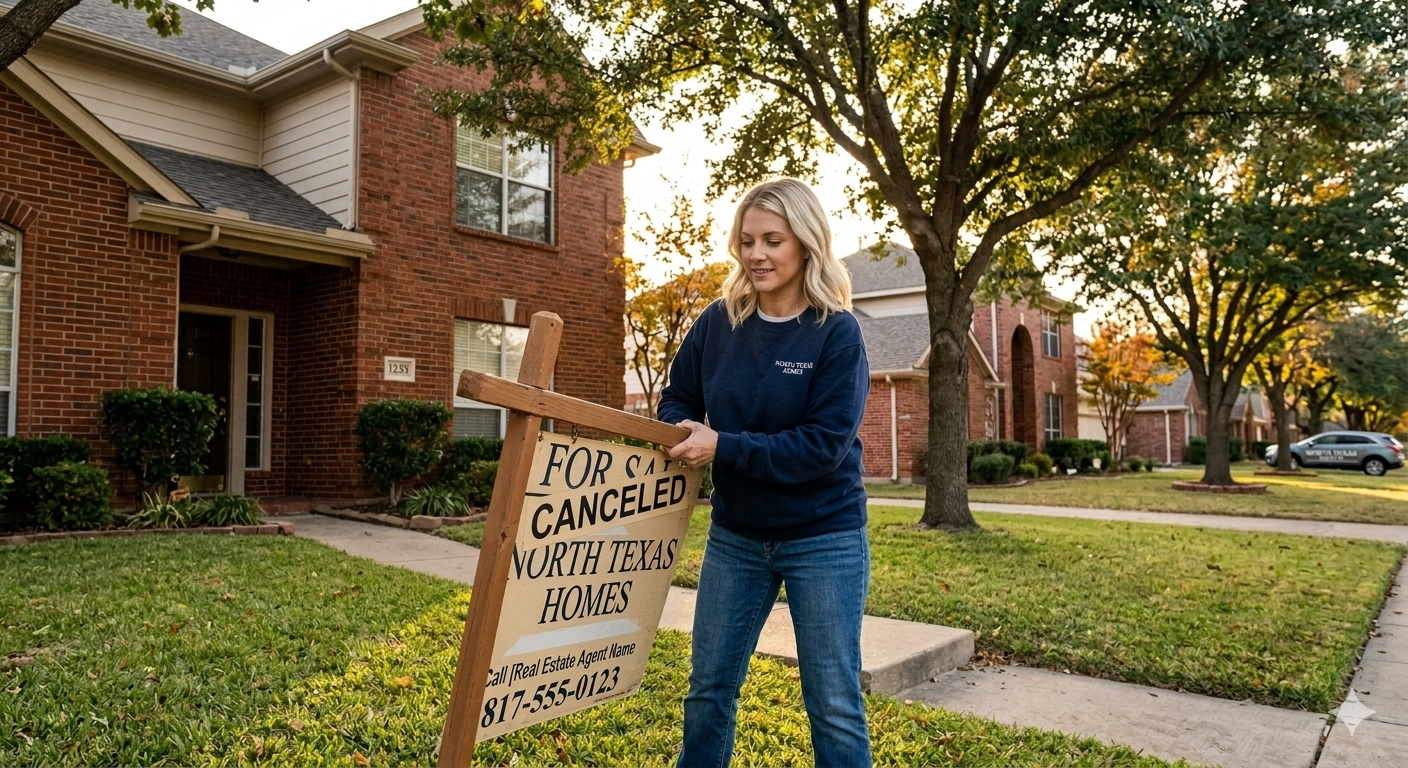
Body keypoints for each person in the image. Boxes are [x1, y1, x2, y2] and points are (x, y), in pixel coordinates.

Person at [658, 178, 871, 768]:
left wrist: (721, 446)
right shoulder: (717, 323)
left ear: (806, 243)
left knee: (832, 701)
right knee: (708, 692)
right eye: (747, 240)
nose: (756, 254)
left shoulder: (836, 333)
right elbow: (675, 399)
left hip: (824, 538)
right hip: (737, 538)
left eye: (772, 240)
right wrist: (684, 432)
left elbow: (820, 447)